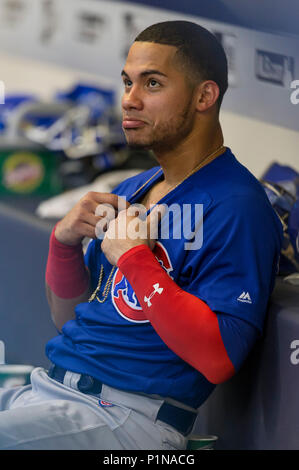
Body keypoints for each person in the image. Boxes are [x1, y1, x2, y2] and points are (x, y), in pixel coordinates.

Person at [0, 20, 283, 450]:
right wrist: (63, 242)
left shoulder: (236, 204)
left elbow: (218, 358)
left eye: (152, 84)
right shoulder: (135, 188)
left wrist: (135, 261)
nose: (129, 100)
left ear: (205, 96)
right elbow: (71, 318)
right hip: (52, 395)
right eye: (127, 82)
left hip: (129, 420)